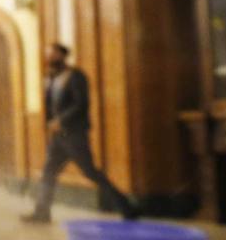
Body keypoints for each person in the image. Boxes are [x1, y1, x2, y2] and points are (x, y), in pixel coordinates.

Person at [22, 43, 139, 223]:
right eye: (47, 54)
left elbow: (81, 104)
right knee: (48, 172)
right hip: (57, 138)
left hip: (74, 135)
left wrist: (61, 120)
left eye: (52, 54)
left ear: (62, 55)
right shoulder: (50, 78)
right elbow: (50, 106)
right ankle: (42, 212)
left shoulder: (76, 76)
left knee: (90, 172)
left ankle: (127, 207)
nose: (49, 58)